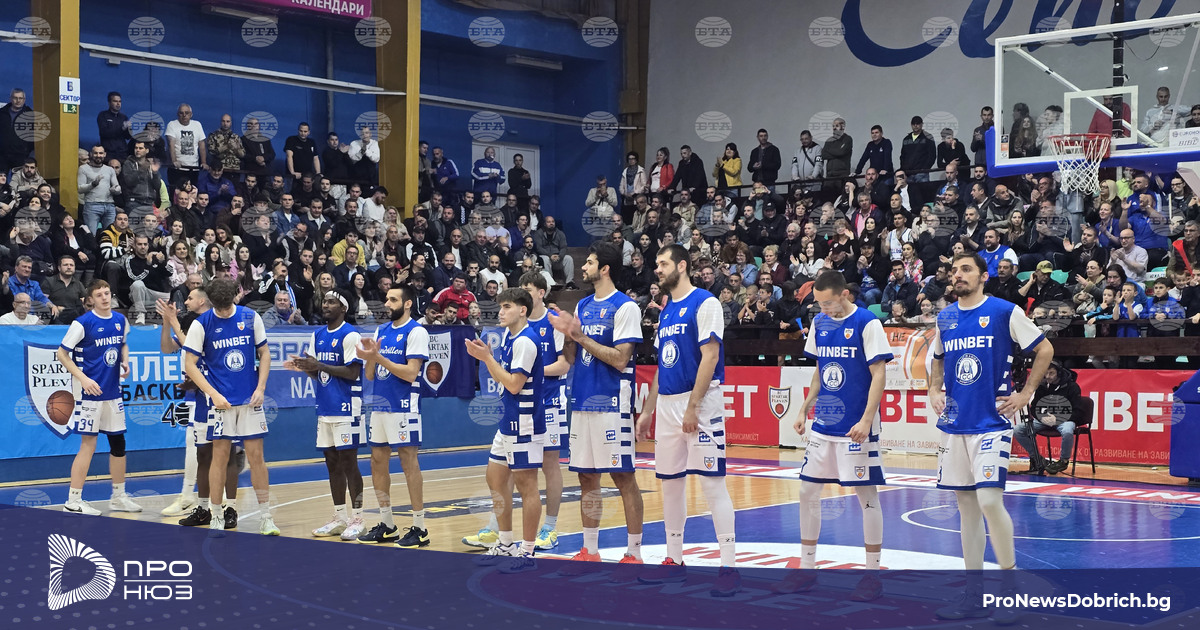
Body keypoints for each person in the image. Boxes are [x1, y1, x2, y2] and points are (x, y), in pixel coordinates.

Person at [928, 252, 1053, 619]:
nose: (958, 275)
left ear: (983, 276)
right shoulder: (945, 317)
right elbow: (936, 358)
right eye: (954, 270)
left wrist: (1025, 393)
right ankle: (974, 595)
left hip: (991, 422)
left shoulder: (1004, 311)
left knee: (988, 502)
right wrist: (933, 388)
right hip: (955, 424)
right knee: (966, 509)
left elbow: (1044, 349)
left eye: (966, 269)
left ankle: (1010, 590)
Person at [773, 270, 892, 599]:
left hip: (856, 427)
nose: (822, 309)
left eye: (827, 303)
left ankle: (872, 576)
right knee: (807, 492)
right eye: (818, 304)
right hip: (824, 424)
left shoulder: (868, 323)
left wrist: (867, 420)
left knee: (866, 498)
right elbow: (819, 372)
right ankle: (807, 569)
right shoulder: (820, 323)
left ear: (844, 295)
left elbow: (879, 375)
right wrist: (803, 408)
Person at [635, 244, 739, 596]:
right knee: (670, 484)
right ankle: (674, 559)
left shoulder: (705, 303)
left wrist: (693, 406)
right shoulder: (666, 310)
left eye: (663, 263)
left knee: (712, 484)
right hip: (667, 403)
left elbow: (710, 357)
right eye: (656, 264)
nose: (658, 269)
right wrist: (648, 410)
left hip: (701, 402)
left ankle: (729, 567)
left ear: (681, 265)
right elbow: (662, 365)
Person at [547, 242, 646, 569]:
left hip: (612, 402)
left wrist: (581, 336)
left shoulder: (625, 307)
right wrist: (567, 335)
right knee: (587, 478)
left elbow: (620, 359)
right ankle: (590, 549)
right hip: (582, 400)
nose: (583, 267)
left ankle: (634, 552)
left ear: (604, 268)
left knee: (623, 477)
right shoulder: (583, 305)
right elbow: (572, 358)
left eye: (589, 262)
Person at [182, 277, 279, 535]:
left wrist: (260, 388)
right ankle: (216, 515)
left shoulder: (250, 317)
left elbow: (265, 353)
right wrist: (212, 394)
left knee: (257, 458)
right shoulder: (201, 324)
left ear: (236, 296)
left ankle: (266, 517)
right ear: (211, 302)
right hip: (220, 402)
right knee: (220, 457)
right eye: (220, 307)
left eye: (228, 306)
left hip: (249, 400)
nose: (225, 312)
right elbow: (189, 364)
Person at [463, 288, 545, 571]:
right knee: (495, 479)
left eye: (507, 306)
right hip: (507, 420)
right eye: (500, 307)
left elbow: (513, 384)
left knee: (527, 486)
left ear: (522, 310)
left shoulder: (526, 341)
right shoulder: (511, 338)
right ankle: (506, 543)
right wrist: (487, 356)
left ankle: (528, 551)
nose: (501, 312)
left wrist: (487, 358)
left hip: (524, 422)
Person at [285, 292, 367, 541]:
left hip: (347, 407)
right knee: (332, 463)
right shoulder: (317, 334)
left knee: (349, 463)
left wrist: (319, 365)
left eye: (332, 302)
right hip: (325, 406)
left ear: (343, 308)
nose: (326, 305)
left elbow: (352, 373)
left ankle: (358, 518)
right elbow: (318, 373)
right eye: (324, 301)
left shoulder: (350, 335)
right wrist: (304, 367)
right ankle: (339, 518)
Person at [157, 295, 243, 529]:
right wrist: (167, 322)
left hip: (220, 396)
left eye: (191, 297)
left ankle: (227, 505)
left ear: (204, 300)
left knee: (226, 453)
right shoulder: (191, 324)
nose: (186, 301)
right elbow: (167, 348)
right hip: (199, 398)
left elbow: (195, 349)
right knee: (199, 452)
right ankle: (198, 502)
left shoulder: (213, 326)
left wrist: (174, 321)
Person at [355, 285, 431, 548]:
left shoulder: (416, 331)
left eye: (393, 299)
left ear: (407, 304)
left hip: (404, 406)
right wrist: (370, 358)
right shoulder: (381, 331)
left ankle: (420, 527)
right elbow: (369, 375)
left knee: (409, 463)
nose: (387, 303)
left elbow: (410, 373)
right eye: (386, 299)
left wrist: (379, 357)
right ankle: (387, 524)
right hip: (380, 405)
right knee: (377, 461)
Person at [57, 281, 142, 515]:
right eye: (99, 295)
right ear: (91, 299)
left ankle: (119, 496)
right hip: (89, 393)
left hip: (112, 391)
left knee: (118, 442)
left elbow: (123, 344)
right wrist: (83, 379)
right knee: (89, 444)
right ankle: (73, 500)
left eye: (107, 293)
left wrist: (125, 361)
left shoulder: (120, 320)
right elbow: (62, 354)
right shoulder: (82, 323)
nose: (104, 298)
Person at [1013, 361, 1084, 475]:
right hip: (1045, 420)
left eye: (1051, 373)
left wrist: (1058, 418)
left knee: (1067, 431)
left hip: (1065, 420)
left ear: (1059, 373)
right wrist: (1042, 417)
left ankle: (1063, 461)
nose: (1047, 376)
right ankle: (1038, 458)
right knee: (1018, 430)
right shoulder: (1042, 386)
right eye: (1045, 373)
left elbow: (1078, 412)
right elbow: (1034, 408)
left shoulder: (1072, 387)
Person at [164, 103, 207, 187]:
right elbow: (171, 144)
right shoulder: (172, 124)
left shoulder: (197, 124)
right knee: (176, 192)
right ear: (177, 114)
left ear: (191, 114)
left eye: (187, 113)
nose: (184, 115)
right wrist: (174, 161)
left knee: (192, 192)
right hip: (177, 168)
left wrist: (204, 162)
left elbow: (202, 144)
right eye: (181, 113)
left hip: (193, 168)